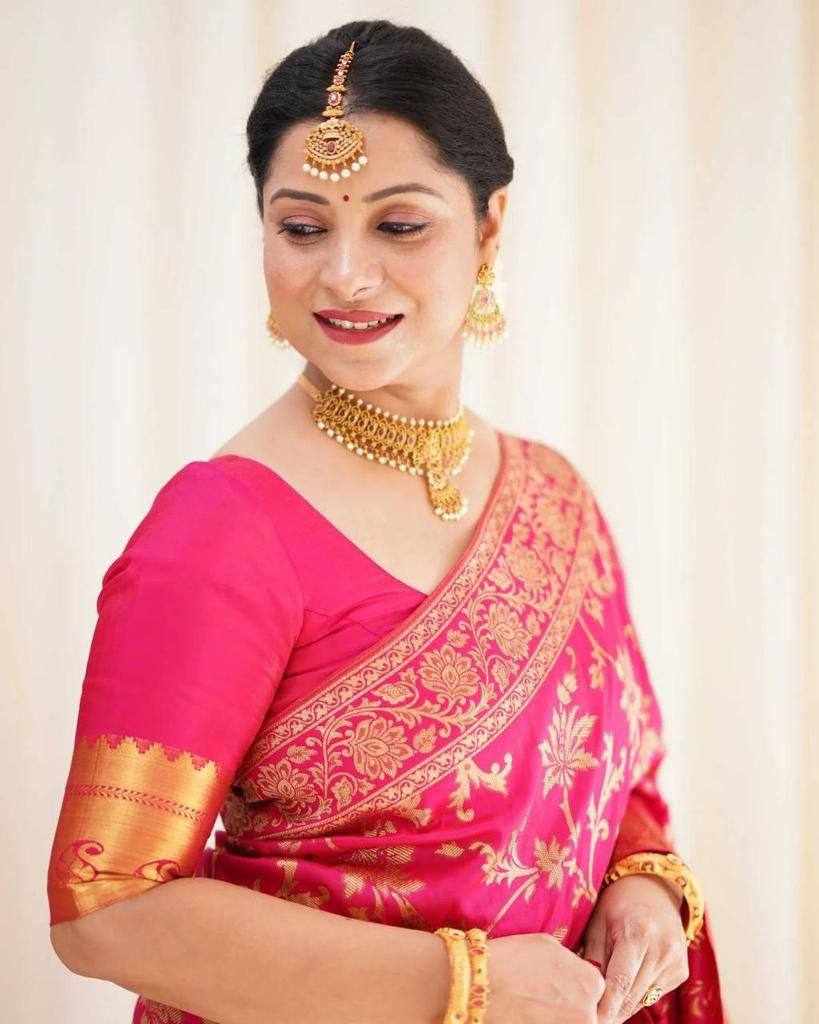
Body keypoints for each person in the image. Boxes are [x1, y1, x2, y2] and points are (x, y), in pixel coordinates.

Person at [46, 19, 726, 1024]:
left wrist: (642, 887)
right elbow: (107, 910)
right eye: (301, 228)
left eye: (399, 225)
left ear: (489, 228)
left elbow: (619, 783)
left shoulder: (553, 496)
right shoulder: (218, 531)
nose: (345, 275)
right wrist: (465, 986)